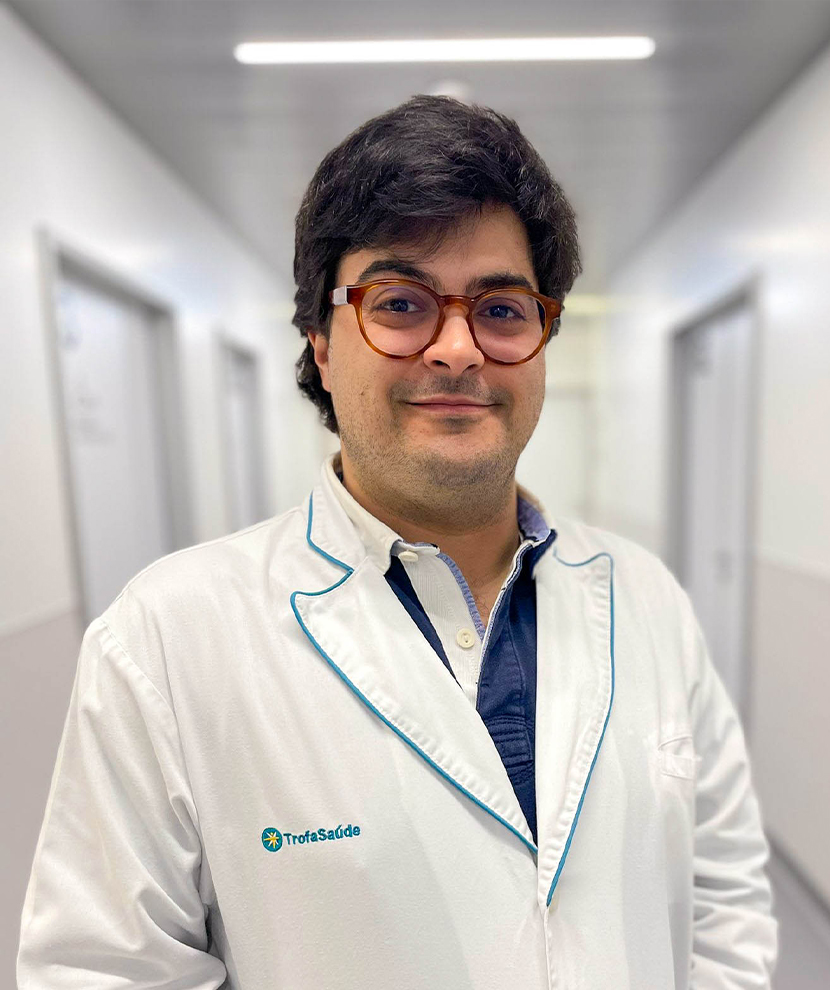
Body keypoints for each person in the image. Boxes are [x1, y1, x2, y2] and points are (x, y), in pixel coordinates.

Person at [18, 95, 777, 989]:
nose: (457, 349)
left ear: (542, 341)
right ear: (321, 342)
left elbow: (723, 900)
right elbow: (103, 970)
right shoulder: (166, 639)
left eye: (502, 309)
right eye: (402, 303)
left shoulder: (647, 598)